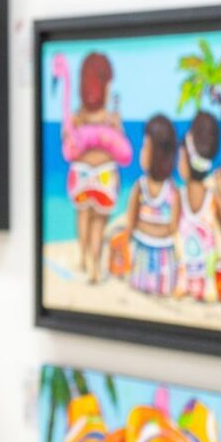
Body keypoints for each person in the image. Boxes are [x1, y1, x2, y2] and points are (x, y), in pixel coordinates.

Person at [54, 52, 132, 284]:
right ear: (105, 85)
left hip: (80, 175)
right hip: (105, 175)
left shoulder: (77, 118)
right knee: (98, 220)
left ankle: (83, 256)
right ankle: (95, 266)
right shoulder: (110, 119)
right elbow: (123, 151)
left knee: (82, 215)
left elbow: (66, 143)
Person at [176, 111, 221, 300]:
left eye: (180, 156)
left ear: (186, 157)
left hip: (198, 281)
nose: (178, 162)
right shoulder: (207, 197)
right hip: (197, 282)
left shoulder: (182, 196)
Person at [124, 114, 180, 296]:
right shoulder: (140, 187)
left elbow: (173, 227)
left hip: (163, 257)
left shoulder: (172, 191)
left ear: (159, 154)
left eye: (145, 147)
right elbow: (131, 223)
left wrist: (143, 227)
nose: (141, 151)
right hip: (143, 253)